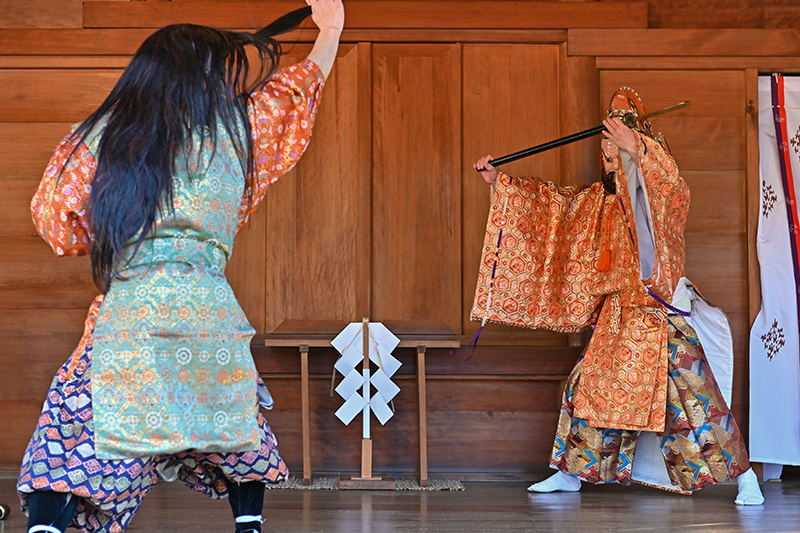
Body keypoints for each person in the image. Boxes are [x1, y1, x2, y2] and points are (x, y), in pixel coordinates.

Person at [17, 1, 344, 532]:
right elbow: (294, 92)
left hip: (131, 312)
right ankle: (249, 523)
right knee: (234, 419)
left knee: (76, 423)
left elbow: (57, 222)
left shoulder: (98, 136)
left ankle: (47, 525)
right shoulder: (237, 132)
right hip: (207, 309)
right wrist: (330, 29)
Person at [472, 88, 764, 505]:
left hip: (659, 317)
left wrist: (637, 148)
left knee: (696, 400)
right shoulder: (598, 202)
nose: (612, 163)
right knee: (583, 388)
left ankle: (746, 478)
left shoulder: (661, 189)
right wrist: (503, 184)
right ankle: (570, 475)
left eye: (619, 154)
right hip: (617, 317)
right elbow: (557, 210)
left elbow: (665, 185)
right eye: (607, 156)